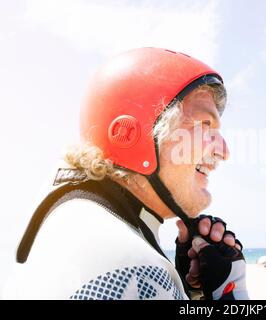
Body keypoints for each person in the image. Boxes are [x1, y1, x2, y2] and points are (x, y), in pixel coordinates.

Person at [4, 48, 248, 300]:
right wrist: (229, 295)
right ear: (131, 134)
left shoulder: (72, 218)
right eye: (204, 125)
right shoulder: (131, 271)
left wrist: (191, 293)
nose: (224, 151)